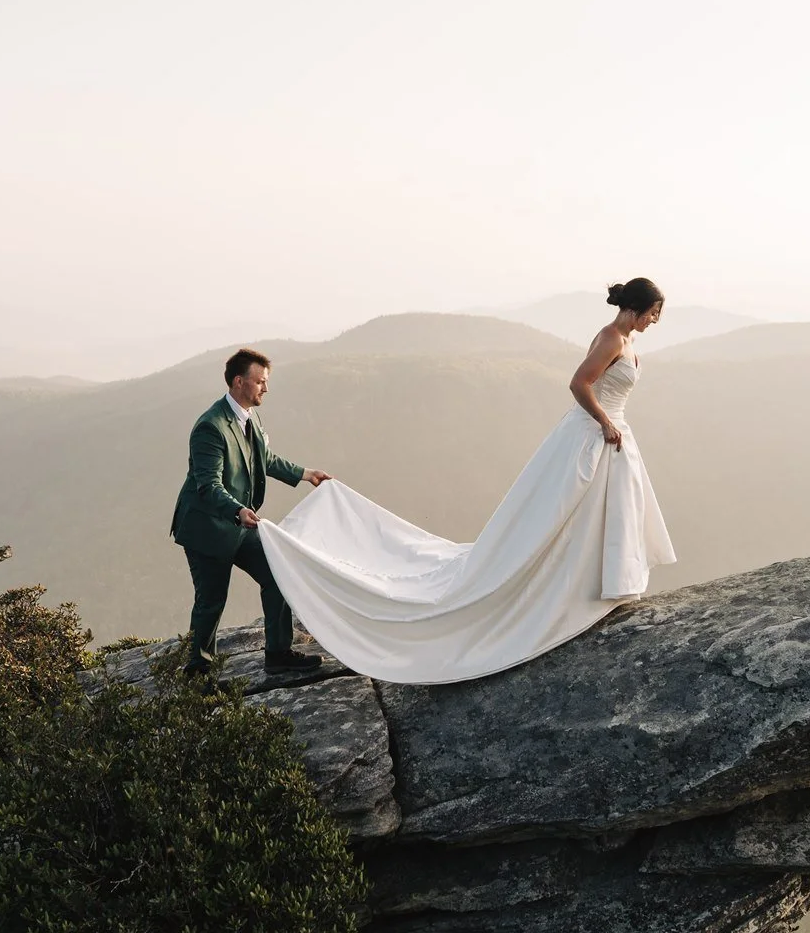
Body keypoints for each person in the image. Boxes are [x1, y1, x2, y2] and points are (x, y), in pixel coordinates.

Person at [254, 277, 677, 684]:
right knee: (567, 515)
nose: (655, 321)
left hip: (613, 433)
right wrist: (603, 421)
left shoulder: (630, 340)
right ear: (636, 307)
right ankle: (571, 589)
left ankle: (604, 583)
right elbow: (579, 383)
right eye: (654, 312)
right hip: (595, 433)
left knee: (604, 512)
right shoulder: (610, 339)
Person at [170, 347, 334, 678]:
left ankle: (278, 654)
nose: (265, 388)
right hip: (207, 528)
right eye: (260, 382)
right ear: (239, 381)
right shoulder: (210, 427)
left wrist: (305, 474)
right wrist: (238, 509)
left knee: (278, 573)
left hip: (239, 522)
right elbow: (208, 485)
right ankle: (199, 674)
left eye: (266, 382)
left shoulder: (250, 417)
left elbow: (264, 459)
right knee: (211, 600)